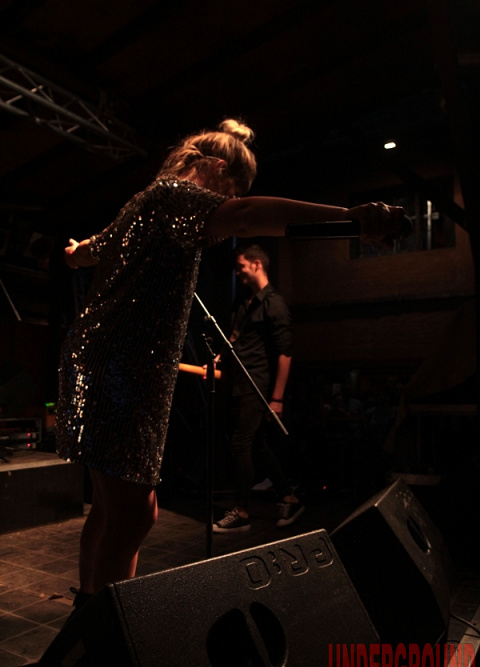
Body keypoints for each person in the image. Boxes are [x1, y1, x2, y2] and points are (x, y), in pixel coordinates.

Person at [55, 117, 404, 612]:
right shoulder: (176, 195)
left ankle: (89, 612)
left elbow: (88, 252)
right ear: (217, 168)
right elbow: (244, 217)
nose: (228, 201)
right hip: (123, 367)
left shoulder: (146, 202)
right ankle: (105, 631)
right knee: (133, 515)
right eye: (232, 189)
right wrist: (350, 218)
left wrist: (74, 253)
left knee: (114, 508)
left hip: (99, 360)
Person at [212, 243, 302, 532]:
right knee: (258, 446)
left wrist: (277, 398)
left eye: (241, 267)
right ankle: (288, 496)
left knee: (241, 443)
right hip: (239, 383)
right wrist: (218, 359)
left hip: (256, 384)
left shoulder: (274, 303)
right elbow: (235, 338)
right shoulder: (244, 302)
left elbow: (285, 353)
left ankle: (242, 511)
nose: (237, 273)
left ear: (257, 264)